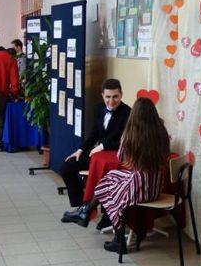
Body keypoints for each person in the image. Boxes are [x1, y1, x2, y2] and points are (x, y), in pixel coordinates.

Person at [62, 97, 170, 253]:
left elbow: (121, 158)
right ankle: (88, 212)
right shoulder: (162, 134)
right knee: (110, 177)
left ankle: (116, 236)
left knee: (111, 193)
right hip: (155, 188)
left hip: (139, 190)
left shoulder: (132, 135)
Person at [59, 79, 131, 210]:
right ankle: (81, 207)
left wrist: (102, 146)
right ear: (102, 95)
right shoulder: (98, 108)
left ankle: (101, 209)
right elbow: (94, 133)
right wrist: (81, 149)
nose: (111, 101)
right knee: (66, 168)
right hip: (98, 154)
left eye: (115, 97)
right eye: (108, 97)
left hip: (115, 156)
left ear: (121, 95)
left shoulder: (128, 113)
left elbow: (124, 142)